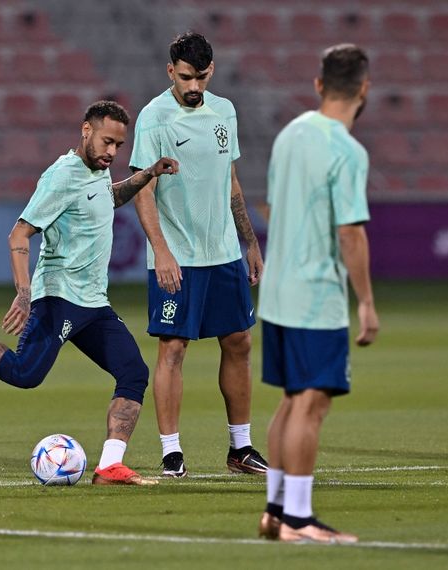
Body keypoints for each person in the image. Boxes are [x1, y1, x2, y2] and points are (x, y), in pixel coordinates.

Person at [0, 101, 179, 486]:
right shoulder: (61, 175)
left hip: (93, 302)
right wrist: (24, 292)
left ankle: (110, 465)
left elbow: (106, 197)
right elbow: (19, 233)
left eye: (119, 145)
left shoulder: (97, 170)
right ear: (86, 131)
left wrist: (146, 174)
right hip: (59, 295)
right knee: (25, 374)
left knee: (133, 372)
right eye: (107, 141)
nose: (112, 152)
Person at [129, 31, 267, 477]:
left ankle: (240, 449)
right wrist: (162, 251)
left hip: (223, 251)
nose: (194, 86)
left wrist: (249, 242)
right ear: (171, 70)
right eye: (186, 77)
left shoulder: (224, 111)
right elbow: (142, 191)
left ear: (211, 71)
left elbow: (231, 182)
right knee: (173, 347)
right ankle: (171, 452)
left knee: (240, 342)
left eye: (201, 77)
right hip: (180, 256)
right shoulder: (154, 118)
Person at [257, 44, 377, 544]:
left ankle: (275, 511)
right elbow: (350, 232)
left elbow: (272, 204)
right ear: (364, 89)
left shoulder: (290, 135)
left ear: (318, 84)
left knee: (290, 400)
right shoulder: (346, 150)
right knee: (313, 402)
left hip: (278, 290)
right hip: (314, 292)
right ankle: (299, 520)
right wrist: (366, 300)